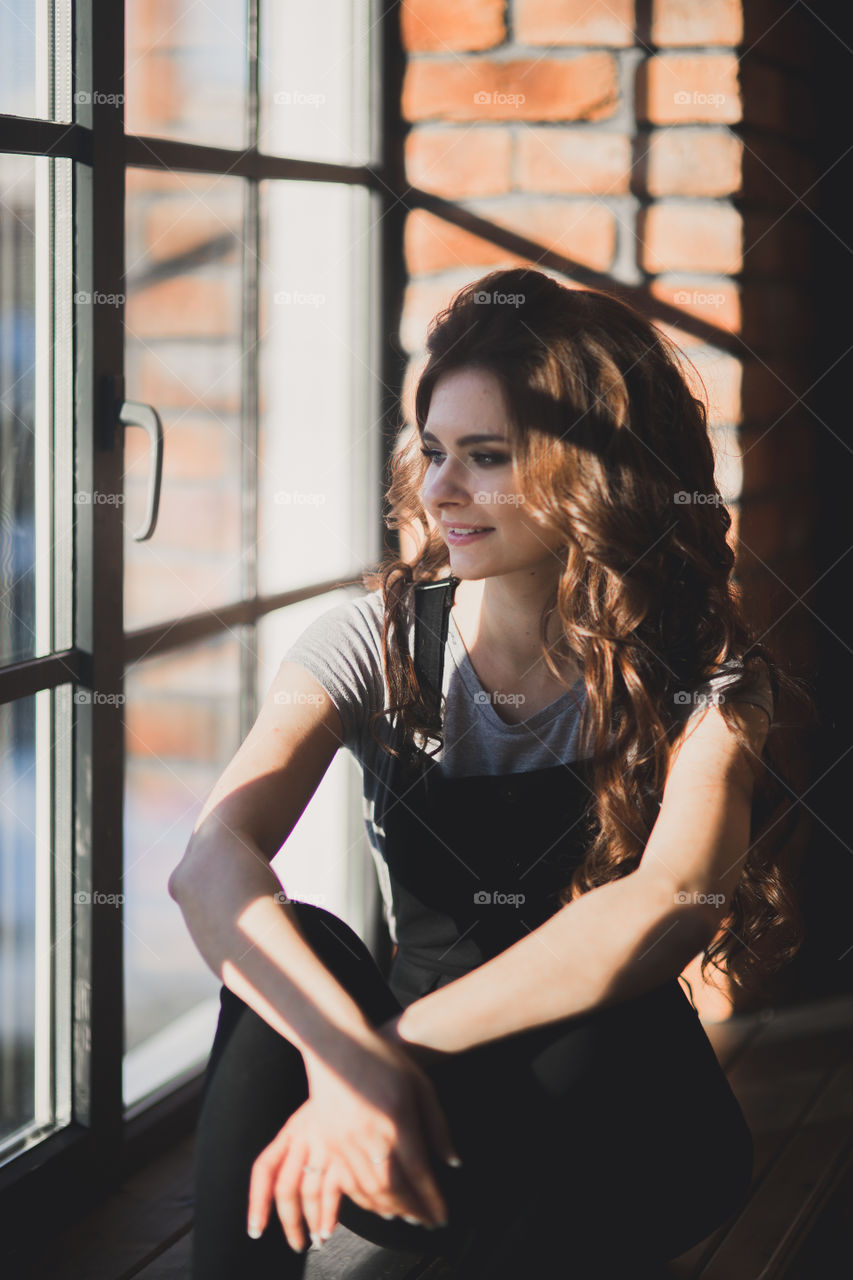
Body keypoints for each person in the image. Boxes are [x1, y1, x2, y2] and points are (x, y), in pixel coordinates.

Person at [169, 267, 808, 1278]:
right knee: (296, 948)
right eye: (432, 452)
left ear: (591, 471)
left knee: (599, 1008)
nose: (437, 491)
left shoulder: (711, 677)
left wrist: (389, 1047)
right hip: (415, 1134)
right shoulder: (368, 642)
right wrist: (346, 1053)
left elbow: (668, 902)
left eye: (485, 456)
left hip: (627, 1140)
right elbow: (211, 860)